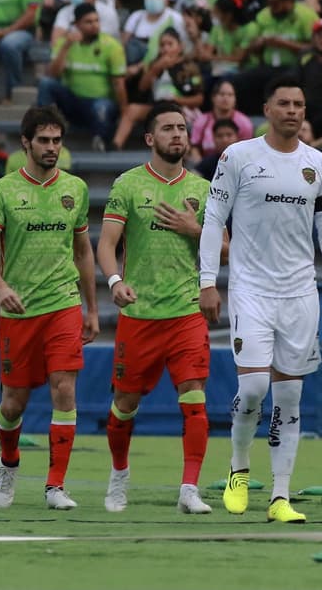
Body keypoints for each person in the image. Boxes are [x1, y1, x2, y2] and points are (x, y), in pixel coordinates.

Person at [200, 76, 322, 524]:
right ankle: (238, 468)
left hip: (300, 293)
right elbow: (213, 219)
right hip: (251, 290)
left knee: (289, 396)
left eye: (298, 104)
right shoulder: (238, 157)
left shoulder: (318, 164)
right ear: (267, 109)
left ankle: (281, 496)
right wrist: (208, 281)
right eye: (283, 103)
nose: (292, 111)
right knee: (253, 389)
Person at [0, 105, 99, 510]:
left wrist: (91, 308)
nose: (51, 147)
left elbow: (83, 251)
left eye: (57, 141)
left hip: (63, 303)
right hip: (18, 310)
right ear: (25, 143)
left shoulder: (75, 189)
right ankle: (8, 462)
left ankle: (55, 485)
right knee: (13, 403)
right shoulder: (2, 191)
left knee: (64, 389)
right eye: (43, 140)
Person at [96, 102, 213, 514]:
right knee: (124, 405)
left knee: (194, 396)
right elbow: (106, 244)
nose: (177, 134)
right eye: (167, 128)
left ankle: (189, 489)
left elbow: (228, 248)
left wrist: (194, 229)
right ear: (150, 138)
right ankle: (119, 474)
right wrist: (115, 282)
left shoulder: (202, 189)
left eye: (182, 127)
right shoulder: (128, 185)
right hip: (139, 314)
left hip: (186, 311)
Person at [39, 2, 127, 145]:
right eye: (88, 22)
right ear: (76, 24)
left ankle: (100, 141)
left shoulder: (111, 45)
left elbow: (118, 83)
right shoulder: (64, 43)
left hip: (99, 103)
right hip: (72, 101)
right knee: (46, 84)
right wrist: (66, 47)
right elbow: (53, 74)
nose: (95, 25)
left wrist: (124, 112)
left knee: (101, 108)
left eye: (97, 21)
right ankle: (45, 132)